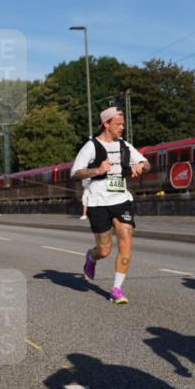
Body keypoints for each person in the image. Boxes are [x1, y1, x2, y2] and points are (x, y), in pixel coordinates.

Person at [71, 107, 150, 305]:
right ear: (106, 124)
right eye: (118, 124)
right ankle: (91, 257)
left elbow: (146, 163)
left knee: (125, 237)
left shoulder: (124, 145)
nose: (122, 128)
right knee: (104, 250)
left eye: (123, 124)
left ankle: (116, 289)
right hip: (98, 202)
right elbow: (75, 172)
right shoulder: (91, 146)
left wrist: (141, 166)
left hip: (121, 199)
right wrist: (97, 169)